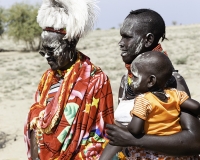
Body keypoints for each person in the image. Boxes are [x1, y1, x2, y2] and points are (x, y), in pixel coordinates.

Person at [24, 0, 114, 159]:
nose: (46, 57)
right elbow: (35, 120)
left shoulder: (96, 80)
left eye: (51, 50)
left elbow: (102, 136)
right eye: (43, 51)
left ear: (70, 43)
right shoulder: (47, 79)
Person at [105, 8, 200, 158]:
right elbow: (121, 136)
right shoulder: (127, 81)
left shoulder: (172, 81)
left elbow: (194, 142)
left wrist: (135, 140)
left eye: (127, 37)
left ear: (148, 40)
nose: (120, 43)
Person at [100, 51, 200, 159]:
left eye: (135, 77)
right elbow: (196, 106)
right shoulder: (175, 93)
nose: (131, 81)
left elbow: (135, 129)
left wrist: (125, 133)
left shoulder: (143, 100)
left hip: (153, 153)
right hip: (173, 150)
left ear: (151, 81)